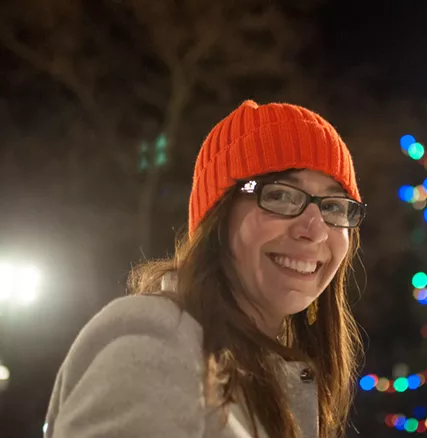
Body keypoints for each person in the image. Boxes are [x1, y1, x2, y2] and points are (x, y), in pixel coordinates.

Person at [44, 100, 367, 438]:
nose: (314, 229)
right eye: (282, 196)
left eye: (333, 206)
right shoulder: (160, 339)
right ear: (218, 215)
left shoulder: (271, 374)